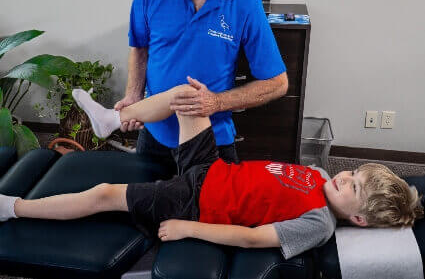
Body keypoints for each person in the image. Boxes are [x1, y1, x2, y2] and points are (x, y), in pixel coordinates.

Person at [1, 88, 422, 259]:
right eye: (353, 175)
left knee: (105, 192)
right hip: (213, 169)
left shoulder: (319, 224)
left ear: (359, 218)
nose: (345, 178)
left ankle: (14, 208)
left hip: (195, 202)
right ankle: (113, 121)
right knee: (192, 97)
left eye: (355, 189)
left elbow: (252, 237)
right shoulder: (317, 173)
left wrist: (188, 228)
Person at [115, 0, 288, 165]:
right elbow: (139, 47)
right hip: (156, 134)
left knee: (210, 208)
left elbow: (277, 83)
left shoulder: (246, 3)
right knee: (144, 205)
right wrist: (134, 96)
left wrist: (216, 102)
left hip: (212, 139)